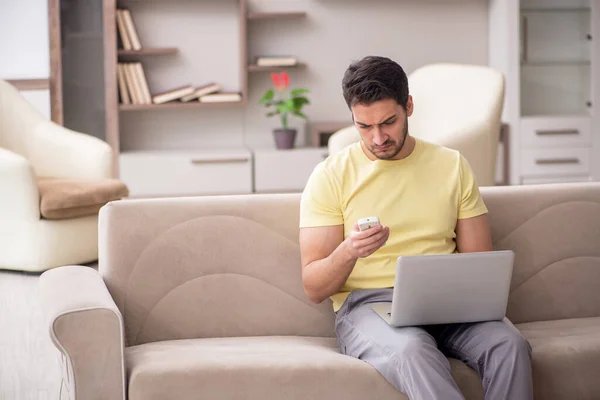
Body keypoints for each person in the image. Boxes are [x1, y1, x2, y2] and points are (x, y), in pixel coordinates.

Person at [298, 56, 533, 400]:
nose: (377, 138)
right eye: (364, 126)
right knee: (412, 350)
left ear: (408, 106)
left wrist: (464, 297)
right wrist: (350, 250)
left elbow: (479, 263)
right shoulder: (331, 175)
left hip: (451, 303)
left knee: (510, 345)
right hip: (369, 307)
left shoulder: (452, 165)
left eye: (388, 122)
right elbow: (314, 287)